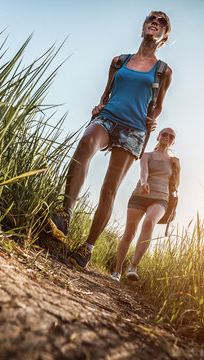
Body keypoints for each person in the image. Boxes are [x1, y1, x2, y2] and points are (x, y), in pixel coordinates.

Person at [47, 11, 173, 270]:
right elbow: (106, 92)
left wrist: (153, 120)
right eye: (152, 18)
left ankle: (87, 247)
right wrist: (100, 105)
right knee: (86, 143)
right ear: (143, 27)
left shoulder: (164, 71)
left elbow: (159, 105)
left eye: (162, 22)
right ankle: (65, 214)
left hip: (134, 129)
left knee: (109, 188)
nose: (155, 22)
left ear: (164, 36)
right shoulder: (119, 61)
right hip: (108, 118)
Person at [110, 128, 180, 281]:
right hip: (140, 195)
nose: (167, 137)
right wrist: (143, 183)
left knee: (149, 223)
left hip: (161, 198)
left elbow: (176, 185)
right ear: (158, 137)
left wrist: (178, 168)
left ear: (173, 141)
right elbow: (144, 171)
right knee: (129, 233)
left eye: (171, 136)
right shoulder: (147, 155)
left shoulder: (174, 161)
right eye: (164, 134)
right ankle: (117, 270)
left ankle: (132, 268)